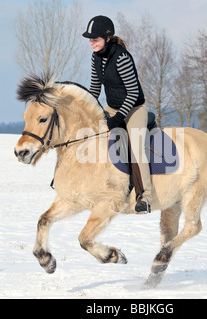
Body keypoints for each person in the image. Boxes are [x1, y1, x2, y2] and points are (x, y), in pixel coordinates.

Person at [82, 15, 152, 214]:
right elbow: (95, 89)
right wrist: (87, 109)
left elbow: (133, 92)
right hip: (112, 106)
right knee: (94, 136)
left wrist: (119, 118)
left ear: (108, 38)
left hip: (134, 108)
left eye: (95, 39)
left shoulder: (121, 57)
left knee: (136, 147)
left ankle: (145, 196)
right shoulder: (96, 57)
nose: (91, 42)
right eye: (90, 39)